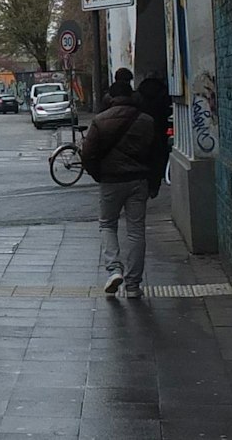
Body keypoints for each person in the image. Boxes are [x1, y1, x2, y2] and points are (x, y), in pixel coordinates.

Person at [80, 79, 158, 298]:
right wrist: (153, 181)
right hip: (138, 180)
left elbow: (87, 154)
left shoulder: (100, 121)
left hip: (111, 180)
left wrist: (98, 174)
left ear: (110, 98)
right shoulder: (146, 121)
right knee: (136, 230)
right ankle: (133, 285)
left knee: (107, 224)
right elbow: (156, 154)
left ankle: (114, 269)